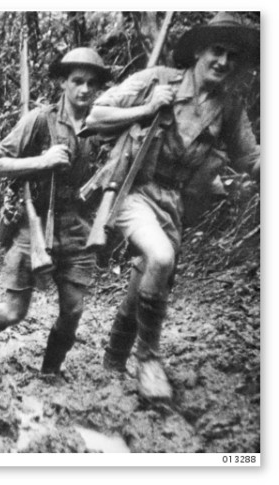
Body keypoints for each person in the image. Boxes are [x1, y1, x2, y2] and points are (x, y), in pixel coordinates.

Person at [86, 13, 259, 400]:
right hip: (134, 191)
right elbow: (96, 116)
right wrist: (145, 109)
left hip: (177, 203)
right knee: (160, 258)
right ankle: (148, 359)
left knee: (150, 275)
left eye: (233, 56)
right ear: (199, 50)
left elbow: (251, 158)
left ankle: (114, 358)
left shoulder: (229, 107)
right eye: (217, 51)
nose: (224, 62)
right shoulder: (158, 81)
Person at [0, 47, 112, 374]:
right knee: (13, 312)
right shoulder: (40, 120)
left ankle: (50, 372)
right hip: (35, 224)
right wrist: (42, 161)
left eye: (91, 83)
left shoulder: (100, 124)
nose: (84, 89)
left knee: (73, 311)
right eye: (77, 81)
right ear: (63, 83)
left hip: (78, 226)